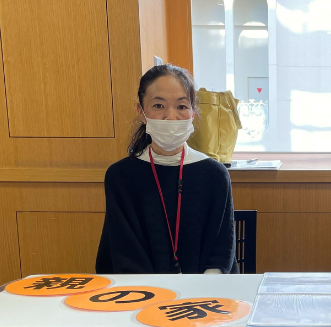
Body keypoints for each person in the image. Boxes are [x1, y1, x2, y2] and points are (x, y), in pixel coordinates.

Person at [96, 64, 238, 274]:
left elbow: (222, 249)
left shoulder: (214, 174)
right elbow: (123, 251)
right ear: (141, 112)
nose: (171, 117)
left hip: (204, 289)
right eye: (158, 106)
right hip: (143, 289)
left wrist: (203, 286)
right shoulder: (121, 176)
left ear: (193, 112)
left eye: (181, 106)